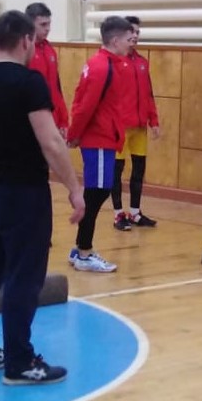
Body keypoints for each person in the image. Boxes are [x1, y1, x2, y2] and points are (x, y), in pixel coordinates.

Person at [0, 9, 84, 385]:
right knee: (23, 277)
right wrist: (75, 188)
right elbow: (51, 142)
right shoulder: (29, 82)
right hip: (23, 192)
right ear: (27, 40)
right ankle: (19, 362)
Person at [66, 16, 135, 273]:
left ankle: (79, 249)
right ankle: (84, 252)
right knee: (96, 193)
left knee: (96, 193)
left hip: (105, 137)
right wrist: (74, 134)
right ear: (115, 40)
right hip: (98, 139)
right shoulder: (101, 67)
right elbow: (84, 105)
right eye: (128, 38)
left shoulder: (106, 64)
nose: (132, 41)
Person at [110, 15, 161, 231]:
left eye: (138, 32)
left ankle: (135, 212)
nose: (135, 36)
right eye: (131, 32)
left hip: (139, 127)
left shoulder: (142, 62)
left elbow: (148, 94)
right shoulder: (114, 62)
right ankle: (118, 214)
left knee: (138, 170)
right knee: (117, 171)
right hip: (120, 127)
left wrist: (154, 120)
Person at [25, 3, 69, 136]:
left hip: (53, 118)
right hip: (32, 122)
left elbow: (56, 87)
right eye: (43, 25)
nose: (48, 29)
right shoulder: (23, 51)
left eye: (49, 24)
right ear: (30, 25)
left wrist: (63, 120)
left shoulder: (50, 50)